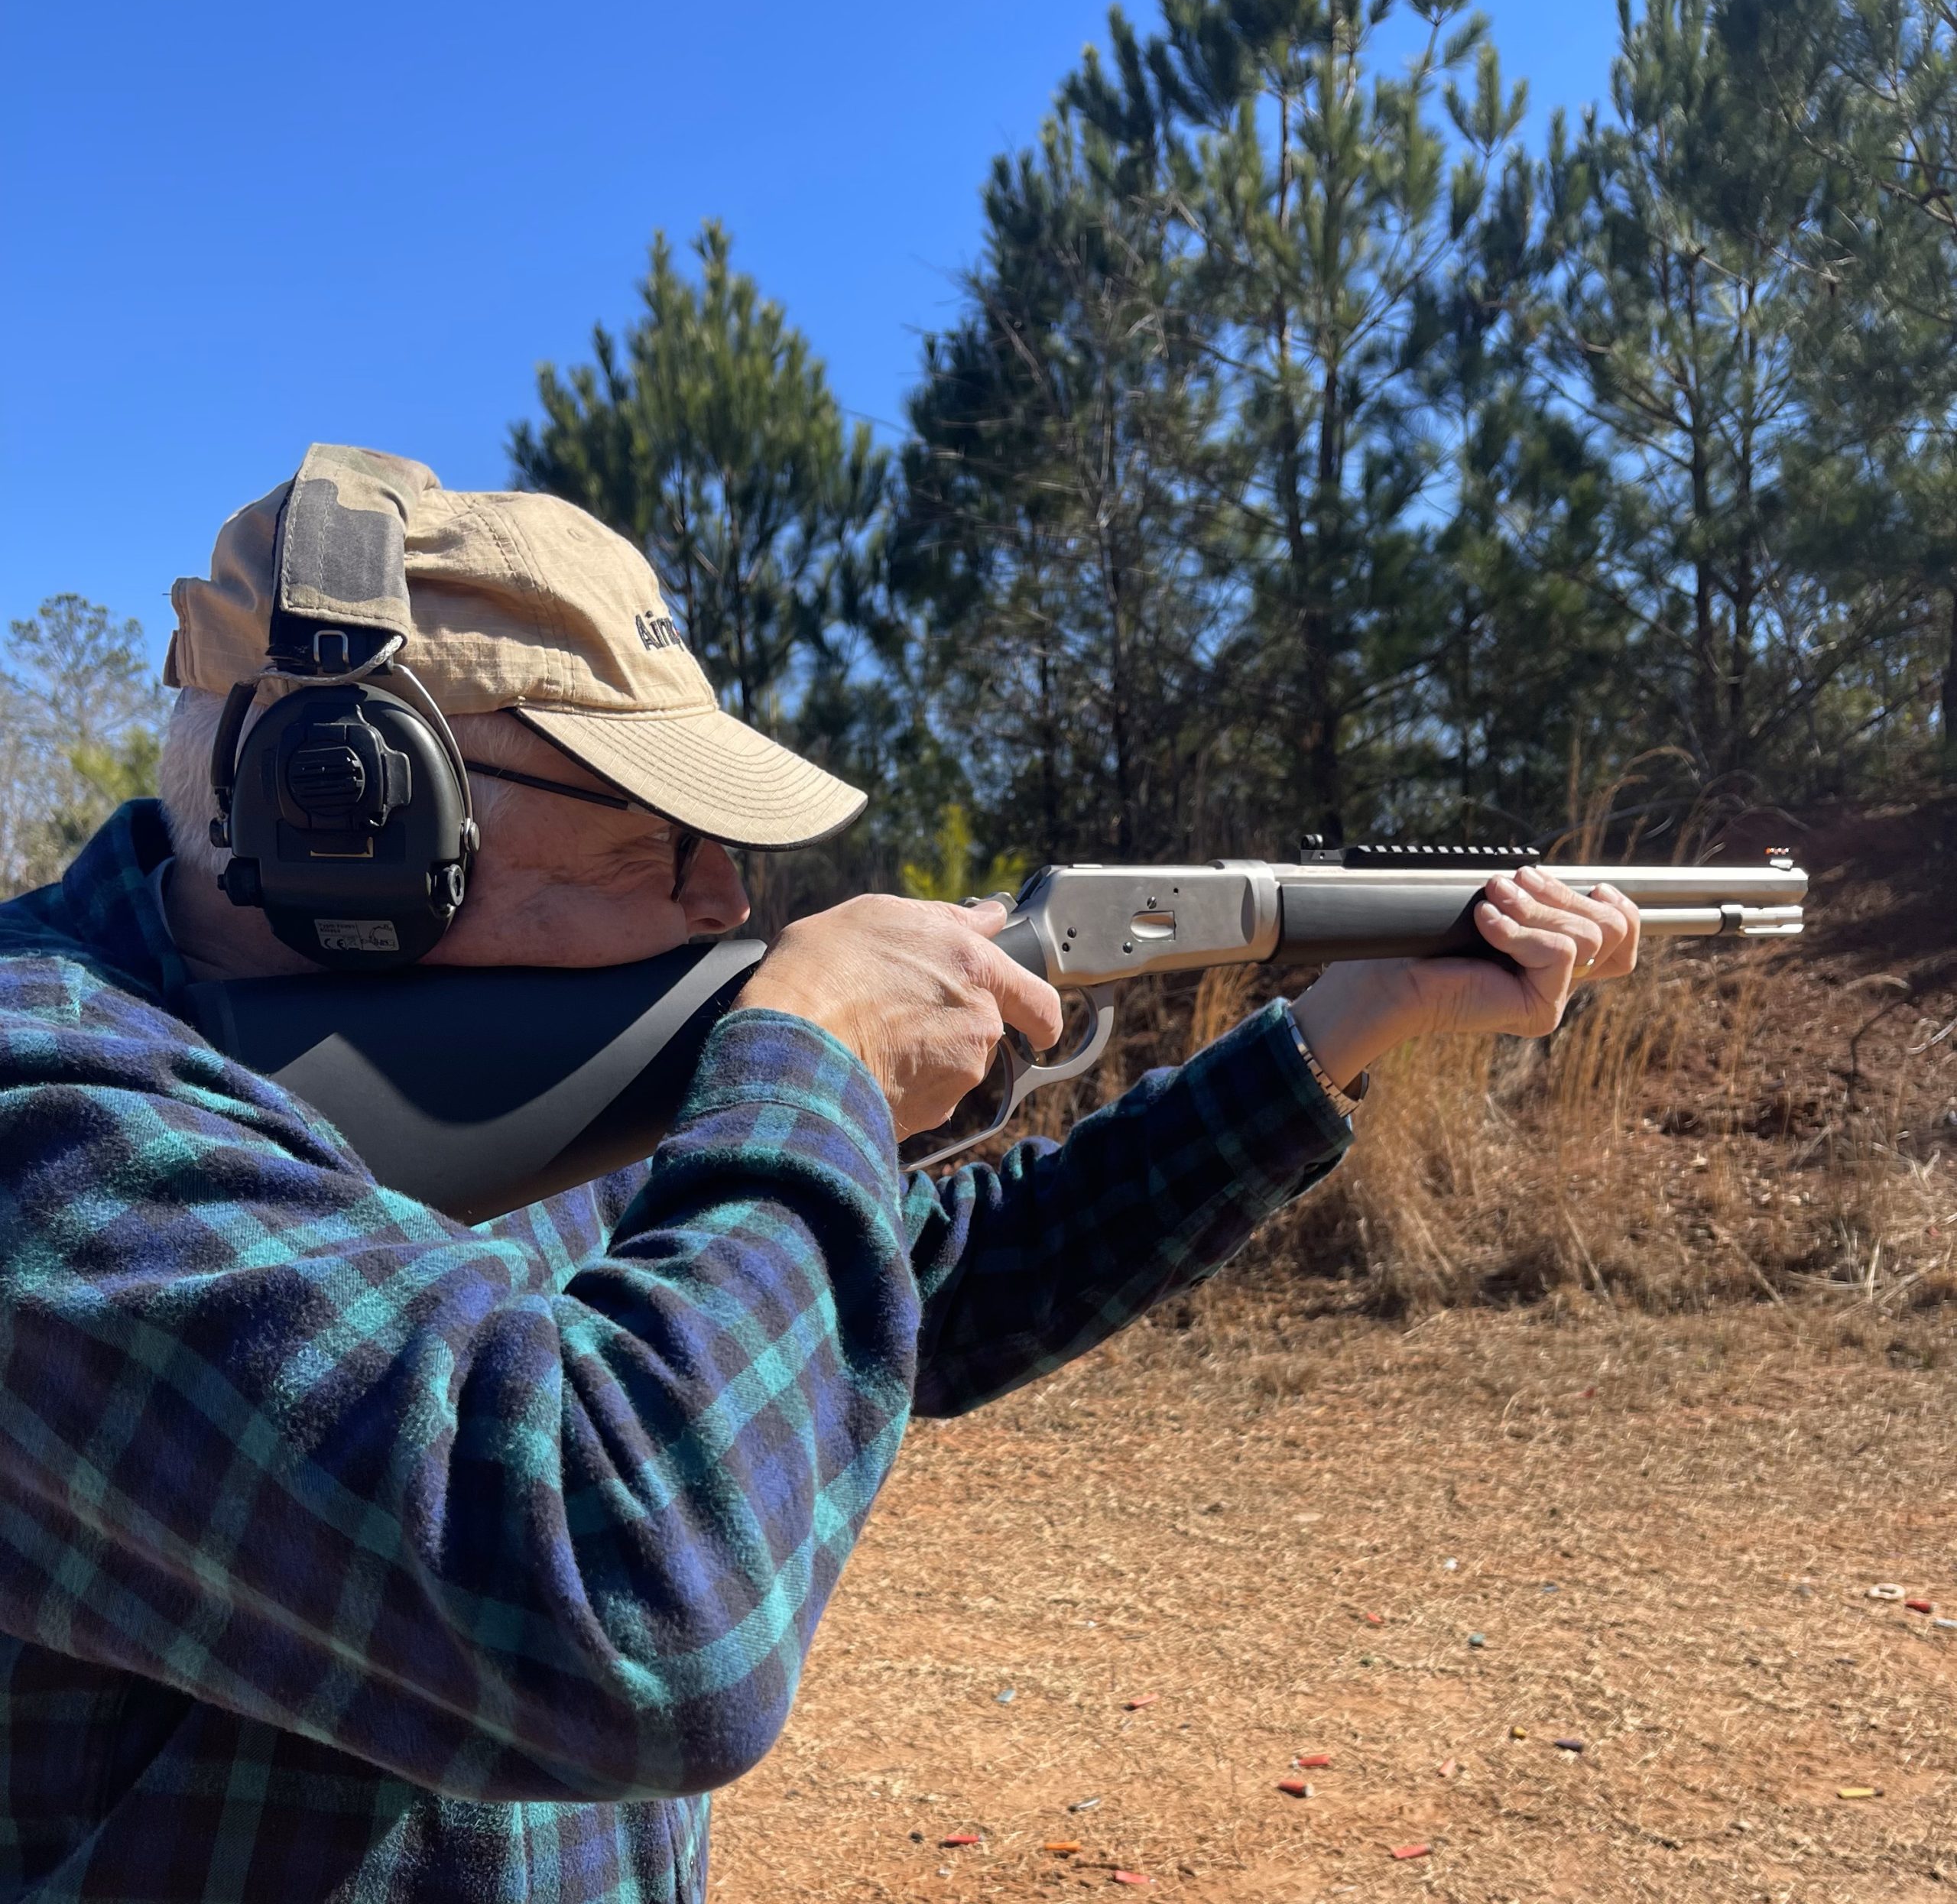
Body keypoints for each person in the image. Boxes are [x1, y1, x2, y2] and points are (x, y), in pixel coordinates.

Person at [0, 449, 1639, 1904]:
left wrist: (1335, 1031)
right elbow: (630, 1618)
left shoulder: (497, 1079)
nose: (732, 898)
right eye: (662, 831)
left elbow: (938, 1281)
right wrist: (810, 1060)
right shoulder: (54, 1125)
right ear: (346, 802)